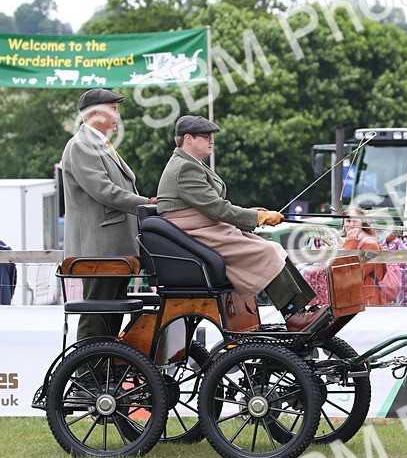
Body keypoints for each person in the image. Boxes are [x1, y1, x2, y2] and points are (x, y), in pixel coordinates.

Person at [156, 115, 330, 334]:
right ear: (188, 138)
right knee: (265, 250)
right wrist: (258, 218)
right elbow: (216, 209)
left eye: (212, 137)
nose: (211, 141)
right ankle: (293, 316)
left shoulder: (191, 164)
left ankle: (300, 309)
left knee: (274, 248)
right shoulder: (184, 168)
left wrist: (252, 214)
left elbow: (213, 206)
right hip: (194, 234)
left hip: (206, 228)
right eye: (206, 136)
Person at [60, 88, 155, 339]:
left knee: (110, 314)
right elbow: (105, 191)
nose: (117, 116)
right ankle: (86, 374)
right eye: (113, 109)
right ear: (94, 113)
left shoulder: (99, 144)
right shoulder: (81, 146)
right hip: (98, 249)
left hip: (113, 248)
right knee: (97, 315)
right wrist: (146, 204)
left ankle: (104, 369)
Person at [342, 208, 390, 307]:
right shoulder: (350, 241)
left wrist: (351, 242)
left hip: (368, 300)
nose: (350, 225)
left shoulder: (370, 244)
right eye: (348, 220)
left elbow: (352, 274)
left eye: (355, 221)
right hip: (355, 298)